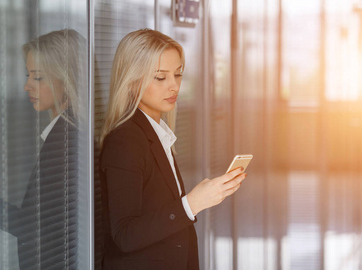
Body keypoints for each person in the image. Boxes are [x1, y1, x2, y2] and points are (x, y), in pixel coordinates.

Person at [99, 28, 247, 270]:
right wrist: (191, 204)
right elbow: (125, 235)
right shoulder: (124, 141)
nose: (174, 86)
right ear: (131, 79)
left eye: (178, 75)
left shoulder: (156, 133)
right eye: (160, 77)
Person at [1, 29, 85, 269]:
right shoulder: (67, 131)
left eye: (37, 77)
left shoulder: (67, 140)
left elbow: (37, 227)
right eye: (28, 75)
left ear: (66, 78)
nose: (27, 86)